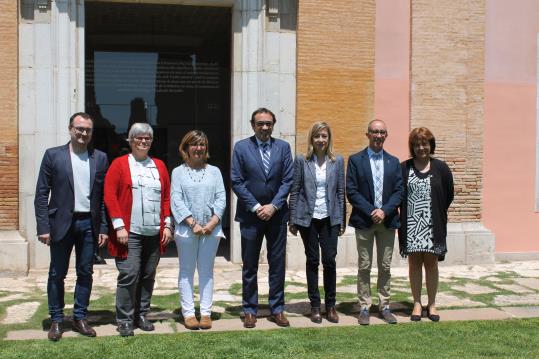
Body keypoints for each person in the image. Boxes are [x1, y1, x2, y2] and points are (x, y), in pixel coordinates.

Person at [34, 112, 109, 341]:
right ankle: (57, 320)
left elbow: (103, 197)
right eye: (79, 128)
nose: (83, 133)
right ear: (70, 129)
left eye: (87, 130)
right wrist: (43, 226)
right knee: (57, 273)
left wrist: (104, 228)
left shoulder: (100, 158)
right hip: (60, 223)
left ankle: (79, 318)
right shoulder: (53, 155)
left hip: (89, 223)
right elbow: (41, 194)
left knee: (85, 272)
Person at [104, 122, 172, 337]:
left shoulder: (160, 165)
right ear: (130, 140)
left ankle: (142, 314)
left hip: (154, 231)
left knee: (148, 274)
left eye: (147, 138)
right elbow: (110, 195)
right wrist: (119, 226)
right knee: (129, 273)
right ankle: (124, 319)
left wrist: (168, 224)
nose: (143, 141)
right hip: (129, 232)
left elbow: (166, 197)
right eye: (139, 137)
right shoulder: (119, 164)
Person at [231, 108, 294, 328]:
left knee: (277, 265)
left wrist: (274, 206)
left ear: (273, 124)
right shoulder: (241, 148)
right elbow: (236, 181)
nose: (265, 127)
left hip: (276, 216)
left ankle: (277, 309)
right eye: (260, 124)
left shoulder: (283, 148)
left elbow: (288, 180)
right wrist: (258, 207)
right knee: (250, 266)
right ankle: (250, 310)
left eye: (268, 123)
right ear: (253, 125)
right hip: (251, 216)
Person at [346, 119, 403, 325]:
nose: (378, 136)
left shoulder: (394, 162)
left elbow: (399, 191)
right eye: (374, 132)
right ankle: (364, 306)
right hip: (364, 220)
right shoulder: (355, 160)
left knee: (385, 266)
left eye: (382, 132)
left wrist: (384, 211)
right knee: (364, 265)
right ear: (367, 134)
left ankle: (385, 305)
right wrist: (372, 211)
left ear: (386, 135)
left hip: (387, 222)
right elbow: (351, 191)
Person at [289, 122, 346, 324]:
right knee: (312, 261)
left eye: (324, 136)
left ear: (328, 138)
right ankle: (315, 306)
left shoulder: (337, 161)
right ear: (311, 139)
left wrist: (342, 220)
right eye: (317, 136)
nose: (320, 140)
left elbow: (341, 191)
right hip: (308, 219)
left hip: (330, 218)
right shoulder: (301, 161)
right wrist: (292, 219)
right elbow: (295, 190)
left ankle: (331, 306)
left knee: (329, 261)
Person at [171, 130, 226, 330]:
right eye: (194, 144)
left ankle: (205, 313)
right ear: (185, 148)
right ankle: (188, 313)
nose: (198, 148)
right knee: (186, 271)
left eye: (202, 144)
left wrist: (212, 222)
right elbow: (176, 199)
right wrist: (192, 223)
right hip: (187, 230)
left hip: (211, 230)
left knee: (206, 271)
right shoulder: (177, 172)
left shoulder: (215, 171)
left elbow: (221, 198)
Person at [398, 127, 454, 322]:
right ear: (412, 147)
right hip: (411, 224)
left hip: (433, 225)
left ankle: (431, 304)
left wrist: (435, 213)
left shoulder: (441, 168)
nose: (421, 147)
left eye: (424, 143)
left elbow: (448, 195)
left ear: (431, 145)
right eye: (417, 144)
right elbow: (398, 195)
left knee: (431, 264)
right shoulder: (404, 168)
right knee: (414, 264)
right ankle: (416, 303)